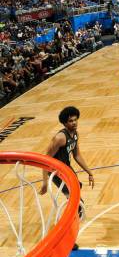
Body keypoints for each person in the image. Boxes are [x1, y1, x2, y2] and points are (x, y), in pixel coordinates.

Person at [40, 106, 94, 249]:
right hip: (57, 173)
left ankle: (69, 231)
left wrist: (90, 172)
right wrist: (45, 182)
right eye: (71, 121)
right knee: (75, 204)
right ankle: (67, 237)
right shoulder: (59, 138)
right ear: (64, 123)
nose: (74, 123)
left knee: (77, 205)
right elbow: (45, 159)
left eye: (75, 120)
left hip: (67, 170)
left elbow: (77, 155)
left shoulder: (75, 134)